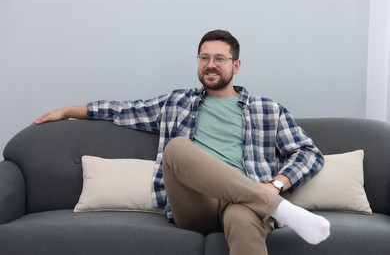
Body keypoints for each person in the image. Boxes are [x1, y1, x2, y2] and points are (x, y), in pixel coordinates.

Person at [34, 30, 330, 255]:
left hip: (243, 201)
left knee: (243, 219)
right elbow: (122, 110)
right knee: (176, 147)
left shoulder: (268, 110)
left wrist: (276, 184)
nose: (210, 65)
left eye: (219, 59)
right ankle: (278, 209)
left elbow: (308, 153)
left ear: (236, 65)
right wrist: (69, 111)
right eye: (204, 58)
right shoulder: (177, 102)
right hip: (195, 203)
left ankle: (269, 201)